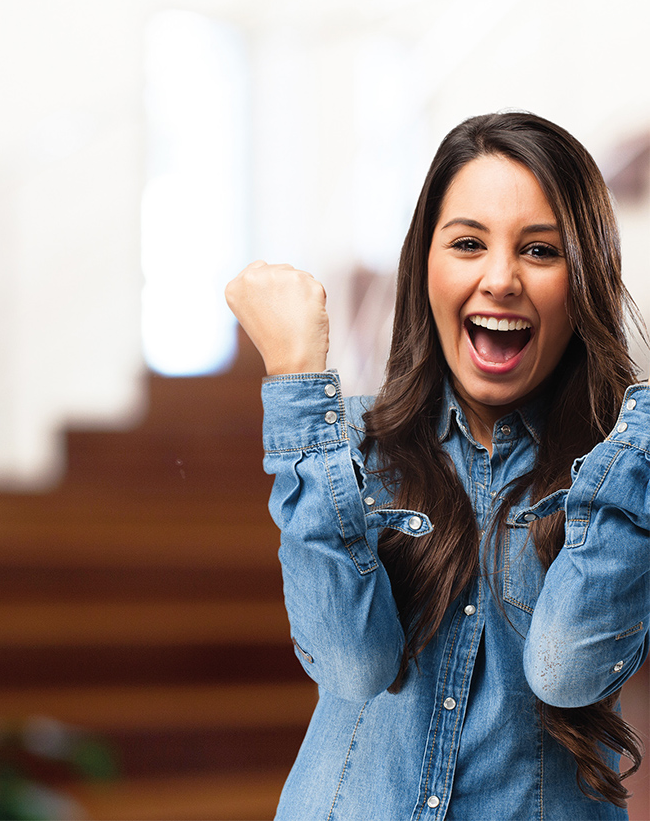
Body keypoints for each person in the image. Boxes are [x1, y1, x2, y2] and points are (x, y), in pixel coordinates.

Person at [225, 112, 649, 820]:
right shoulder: (344, 448)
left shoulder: (620, 472)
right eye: (467, 243)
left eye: (540, 250)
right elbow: (350, 664)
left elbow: (566, 666)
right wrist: (296, 377)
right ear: (424, 266)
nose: (500, 278)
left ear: (584, 282)